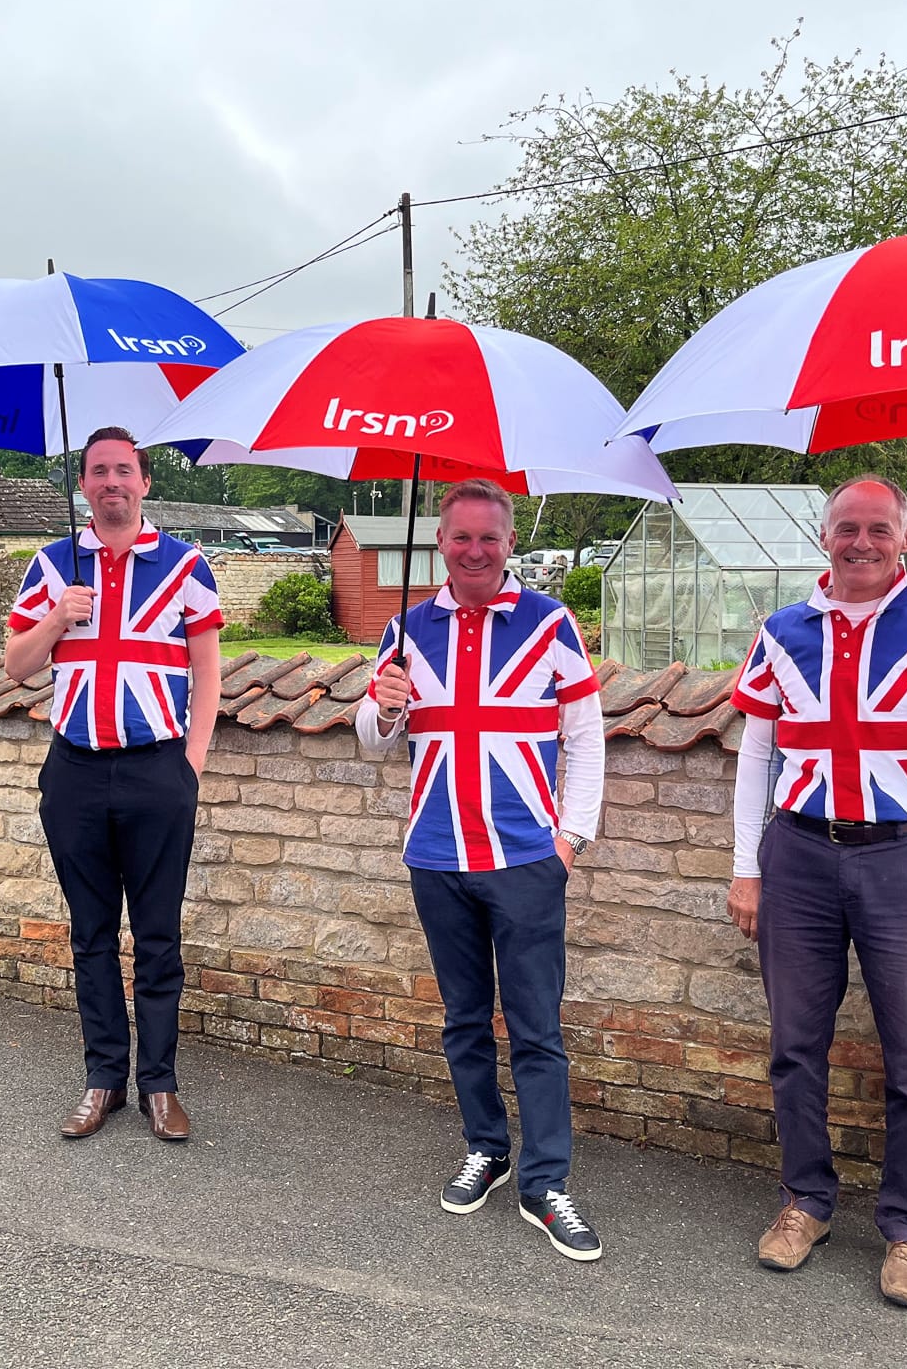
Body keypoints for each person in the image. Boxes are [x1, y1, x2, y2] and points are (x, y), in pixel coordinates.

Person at [727, 476, 907, 1308]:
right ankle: (806, 1201)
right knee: (794, 1044)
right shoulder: (782, 631)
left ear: (906, 540)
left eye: (878, 529)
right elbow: (755, 757)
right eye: (847, 527)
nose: (861, 542)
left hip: (905, 859)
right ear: (824, 539)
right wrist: (748, 866)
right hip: (801, 855)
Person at [356, 479, 607, 1263]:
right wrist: (385, 705)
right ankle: (487, 1148)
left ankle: (546, 1182)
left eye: (488, 539)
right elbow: (372, 740)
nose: (474, 551)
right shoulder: (404, 630)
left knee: (537, 1028)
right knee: (464, 1020)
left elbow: (586, 737)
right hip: (436, 857)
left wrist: (570, 840)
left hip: (525, 861)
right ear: (441, 543)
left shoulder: (549, 622)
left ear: (508, 545)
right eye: (460, 538)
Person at [5, 426, 223, 1142]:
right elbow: (15, 666)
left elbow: (208, 673)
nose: (111, 484)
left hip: (158, 769)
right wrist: (55, 619)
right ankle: (104, 1080)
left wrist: (189, 766)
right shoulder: (52, 565)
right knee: (91, 935)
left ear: (145, 483)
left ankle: (159, 1085)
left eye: (123, 471)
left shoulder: (186, 564)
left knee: (158, 937)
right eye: (98, 472)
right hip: (74, 770)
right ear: (83, 486)